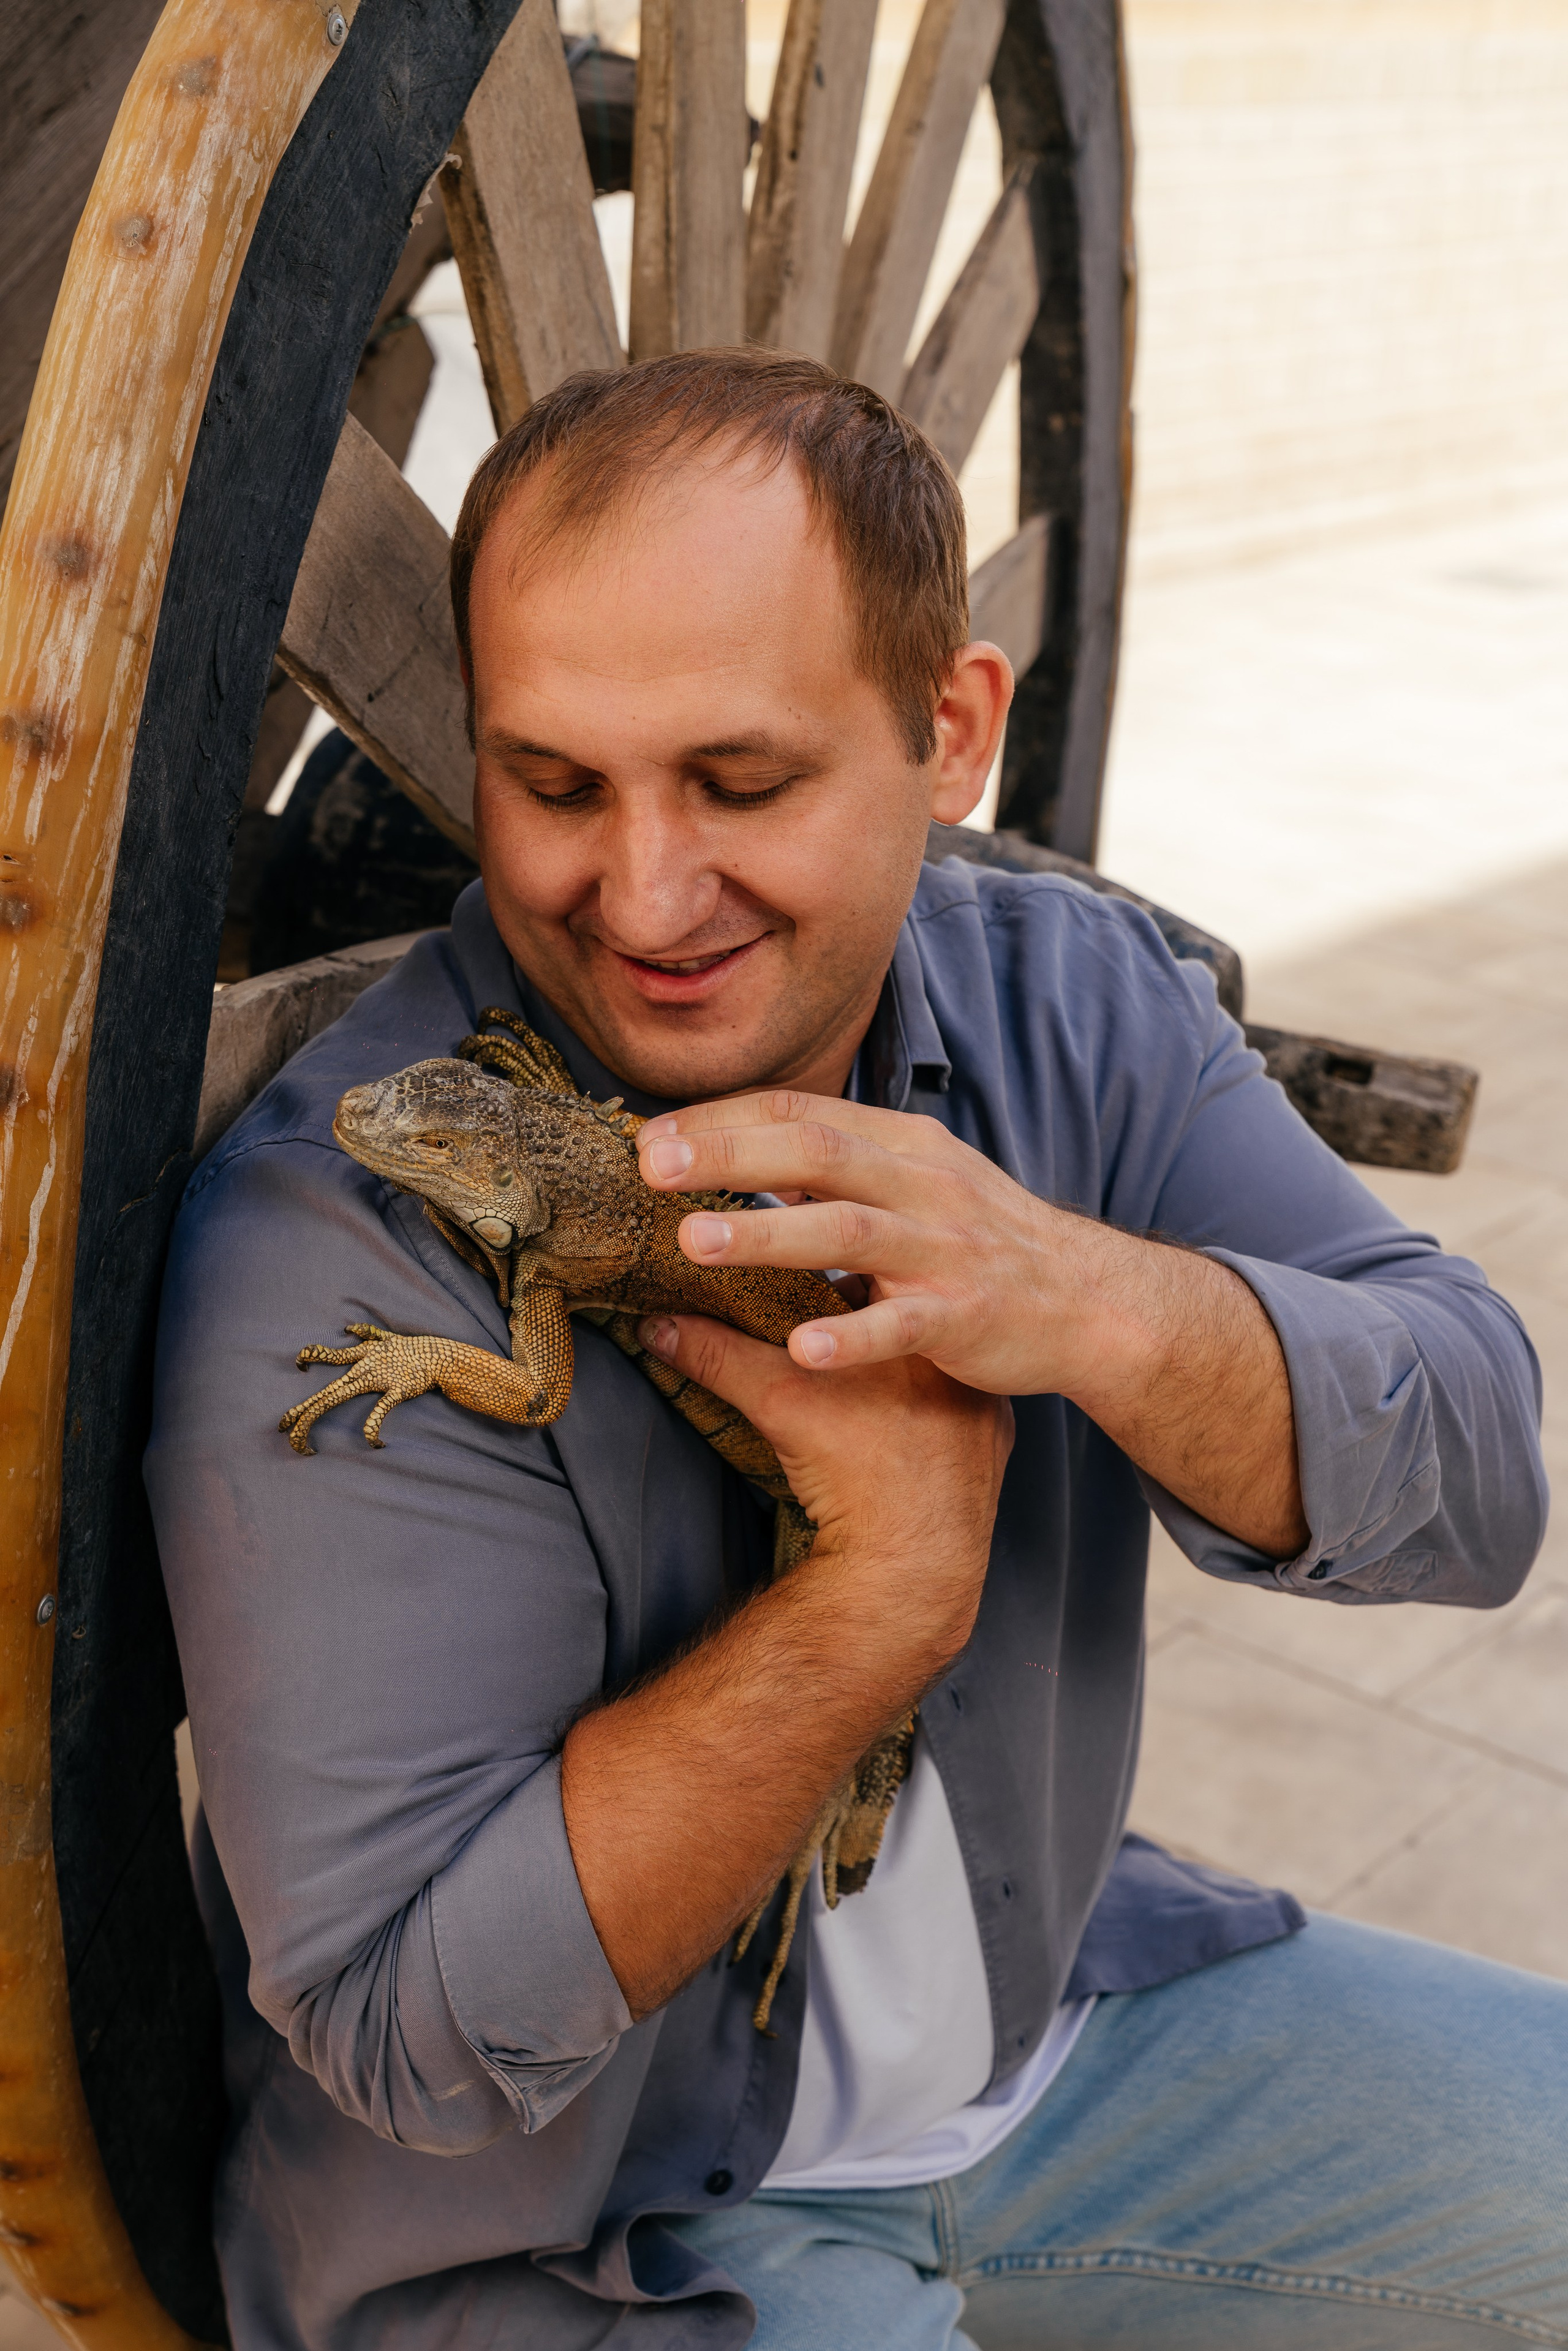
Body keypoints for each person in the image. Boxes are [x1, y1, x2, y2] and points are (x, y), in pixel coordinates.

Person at [148, 352, 1567, 2351]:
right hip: (589, 2247)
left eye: (743, 785)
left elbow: (1485, 1471)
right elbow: (408, 2034)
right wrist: (882, 1593)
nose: (642, 895)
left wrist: (1084, 1294)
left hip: (1067, 2042)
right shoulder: (356, 1223)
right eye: (553, 784)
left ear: (951, 729)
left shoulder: (1073, 998)